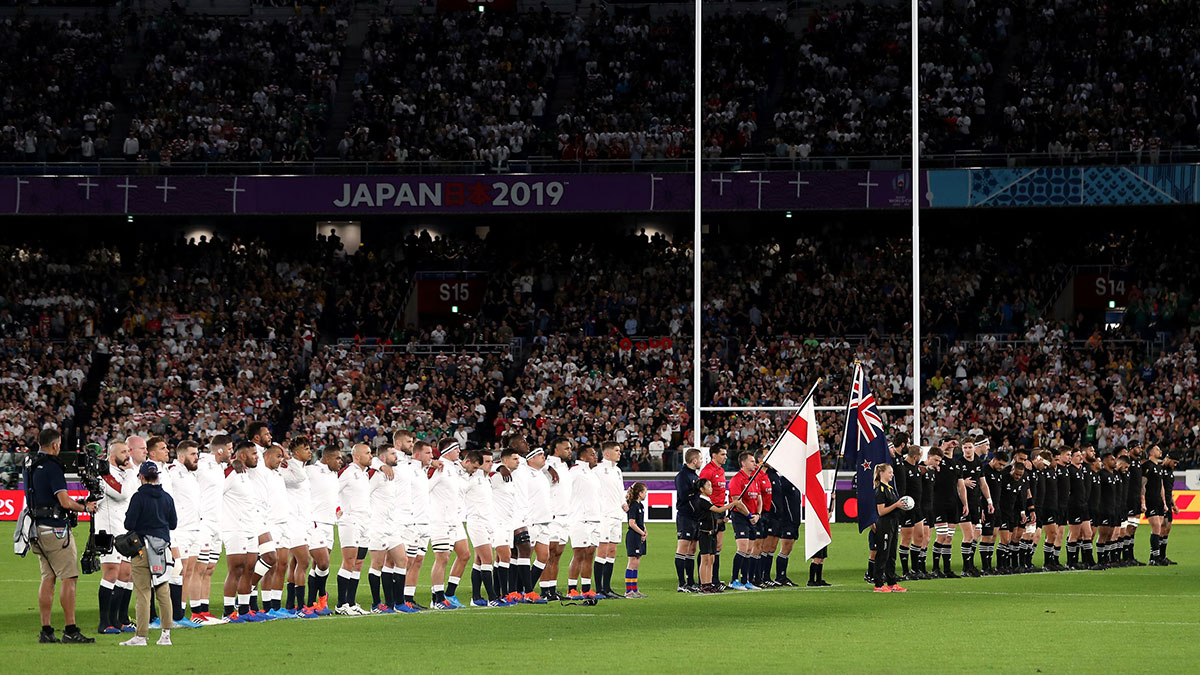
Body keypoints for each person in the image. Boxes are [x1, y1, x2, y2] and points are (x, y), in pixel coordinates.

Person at [26, 428, 98, 644]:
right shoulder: (52, 467)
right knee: (69, 577)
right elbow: (65, 502)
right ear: (56, 445)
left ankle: (46, 631)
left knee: (48, 578)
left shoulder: (30, 464)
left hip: (36, 528)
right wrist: (85, 507)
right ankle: (70, 629)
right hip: (55, 529)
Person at [120, 461, 177, 647]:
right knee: (163, 591)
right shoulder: (167, 497)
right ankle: (166, 635)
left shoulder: (138, 497)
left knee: (143, 593)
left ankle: (141, 636)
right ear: (158, 475)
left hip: (142, 549)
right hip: (161, 550)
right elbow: (173, 523)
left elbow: (129, 524)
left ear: (142, 477)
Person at [193, 435, 231, 624]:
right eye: (230, 449)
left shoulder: (220, 467)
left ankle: (205, 611)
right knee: (199, 568)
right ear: (220, 451)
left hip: (218, 523)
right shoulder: (201, 464)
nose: (232, 452)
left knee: (210, 568)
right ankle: (195, 613)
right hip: (203, 522)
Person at [96, 441, 132, 634]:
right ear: (112, 455)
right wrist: (132, 472)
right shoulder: (105, 472)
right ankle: (104, 623)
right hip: (107, 530)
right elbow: (121, 493)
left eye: (128, 451)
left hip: (122, 529)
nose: (128, 456)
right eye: (124, 452)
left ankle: (116, 620)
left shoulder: (121, 473)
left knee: (125, 574)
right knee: (111, 573)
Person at [462, 450, 505, 607]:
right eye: (487, 461)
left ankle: (476, 597)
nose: (490, 464)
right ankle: (492, 598)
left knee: (479, 560)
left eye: (491, 461)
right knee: (488, 559)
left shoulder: (487, 479)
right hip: (476, 523)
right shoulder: (472, 479)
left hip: (487, 523)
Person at [335, 444, 371, 615]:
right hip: (350, 521)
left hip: (365, 522)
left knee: (358, 563)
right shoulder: (348, 472)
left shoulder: (364, 474)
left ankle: (351, 602)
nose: (371, 456)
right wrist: (336, 510)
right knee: (349, 561)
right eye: (367, 453)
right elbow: (332, 490)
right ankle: (341, 604)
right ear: (357, 456)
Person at [304, 446, 341, 614]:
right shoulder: (311, 470)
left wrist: (337, 509)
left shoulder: (334, 475)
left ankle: (314, 602)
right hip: (314, 522)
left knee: (319, 567)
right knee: (323, 562)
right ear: (327, 459)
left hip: (329, 523)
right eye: (338, 458)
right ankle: (321, 596)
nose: (341, 461)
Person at [539, 437, 573, 600]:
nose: (569, 451)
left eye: (570, 448)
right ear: (556, 450)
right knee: (549, 553)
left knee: (558, 553)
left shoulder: (565, 466)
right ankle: (544, 590)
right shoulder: (546, 465)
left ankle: (552, 589)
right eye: (566, 448)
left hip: (565, 516)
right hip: (552, 516)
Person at [692, 478, 740, 594]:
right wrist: (733, 504)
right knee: (705, 559)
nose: (711, 488)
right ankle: (704, 585)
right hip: (704, 533)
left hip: (712, 532)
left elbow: (712, 516)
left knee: (711, 559)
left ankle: (709, 583)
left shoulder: (707, 499)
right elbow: (718, 510)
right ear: (701, 489)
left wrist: (721, 520)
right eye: (708, 486)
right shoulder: (702, 501)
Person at [567, 445, 601, 599]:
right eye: (592, 454)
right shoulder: (574, 471)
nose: (596, 456)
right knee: (579, 554)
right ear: (583, 457)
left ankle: (586, 589)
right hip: (580, 519)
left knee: (590, 555)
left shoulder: (592, 473)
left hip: (595, 519)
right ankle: (571, 588)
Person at [595, 440, 627, 599]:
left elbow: (620, 491)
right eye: (616, 450)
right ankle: (598, 588)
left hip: (617, 515)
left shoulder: (618, 471)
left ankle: (607, 588)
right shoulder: (597, 470)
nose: (619, 453)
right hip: (604, 516)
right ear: (607, 454)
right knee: (602, 550)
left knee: (612, 551)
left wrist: (623, 503)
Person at [727, 451, 763, 590]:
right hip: (741, 517)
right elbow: (737, 502)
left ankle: (745, 580)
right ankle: (734, 580)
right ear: (743, 463)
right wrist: (749, 515)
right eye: (752, 461)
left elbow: (759, 498)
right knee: (742, 547)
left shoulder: (753, 479)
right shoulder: (737, 479)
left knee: (749, 549)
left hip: (753, 516)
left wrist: (758, 515)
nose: (755, 464)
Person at [697, 445, 729, 585]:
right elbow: (701, 491)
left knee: (717, 547)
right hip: (711, 511)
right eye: (722, 454)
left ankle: (713, 579)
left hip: (721, 511)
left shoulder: (721, 470)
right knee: (706, 549)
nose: (725, 457)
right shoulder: (707, 471)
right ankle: (704, 580)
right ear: (714, 455)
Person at [872, 463, 907, 593]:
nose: (892, 474)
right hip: (885, 524)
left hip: (893, 523)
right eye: (890, 472)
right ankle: (879, 584)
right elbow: (881, 511)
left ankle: (892, 582)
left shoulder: (890, 488)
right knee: (883, 554)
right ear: (882, 473)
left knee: (892, 554)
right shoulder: (880, 490)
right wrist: (896, 505)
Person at [673, 448, 702, 592]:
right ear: (694, 460)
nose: (701, 461)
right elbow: (684, 495)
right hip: (685, 516)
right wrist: (696, 489)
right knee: (683, 548)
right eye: (700, 459)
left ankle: (691, 581)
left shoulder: (694, 475)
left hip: (695, 517)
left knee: (692, 549)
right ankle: (681, 583)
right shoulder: (682, 476)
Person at [1141, 446, 1168, 564]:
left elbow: (1161, 486)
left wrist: (1164, 503)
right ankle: (1155, 558)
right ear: (1151, 452)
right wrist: (1143, 502)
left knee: (1158, 529)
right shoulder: (1147, 466)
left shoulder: (1159, 467)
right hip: (1150, 501)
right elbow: (1142, 485)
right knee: (1156, 527)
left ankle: (1153, 557)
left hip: (1159, 501)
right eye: (1158, 449)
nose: (1160, 451)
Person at [624, 482, 648, 598]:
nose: (646, 495)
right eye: (645, 492)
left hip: (639, 536)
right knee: (632, 562)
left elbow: (641, 521)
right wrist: (642, 532)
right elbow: (632, 523)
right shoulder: (633, 505)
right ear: (640, 493)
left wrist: (645, 530)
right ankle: (629, 590)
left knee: (637, 562)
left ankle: (635, 589)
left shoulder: (640, 506)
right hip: (633, 536)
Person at [1160, 451, 1180, 565]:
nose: (1175, 465)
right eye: (1174, 462)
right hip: (1160, 503)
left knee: (1167, 529)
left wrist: (1174, 505)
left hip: (1168, 502)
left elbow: (1169, 491)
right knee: (1161, 529)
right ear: (1168, 459)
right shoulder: (1160, 470)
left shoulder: (1170, 472)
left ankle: (1163, 556)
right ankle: (1155, 556)